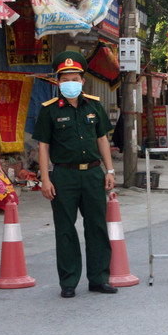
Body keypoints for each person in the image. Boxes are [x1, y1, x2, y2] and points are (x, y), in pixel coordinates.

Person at [34, 51, 117, 298]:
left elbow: (102, 138)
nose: (71, 83)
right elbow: (43, 146)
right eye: (65, 79)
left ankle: (99, 278)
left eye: (75, 78)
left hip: (93, 174)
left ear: (83, 81)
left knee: (97, 227)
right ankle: (68, 282)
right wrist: (45, 178)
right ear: (58, 82)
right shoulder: (49, 110)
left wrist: (109, 170)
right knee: (65, 230)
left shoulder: (94, 105)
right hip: (64, 177)